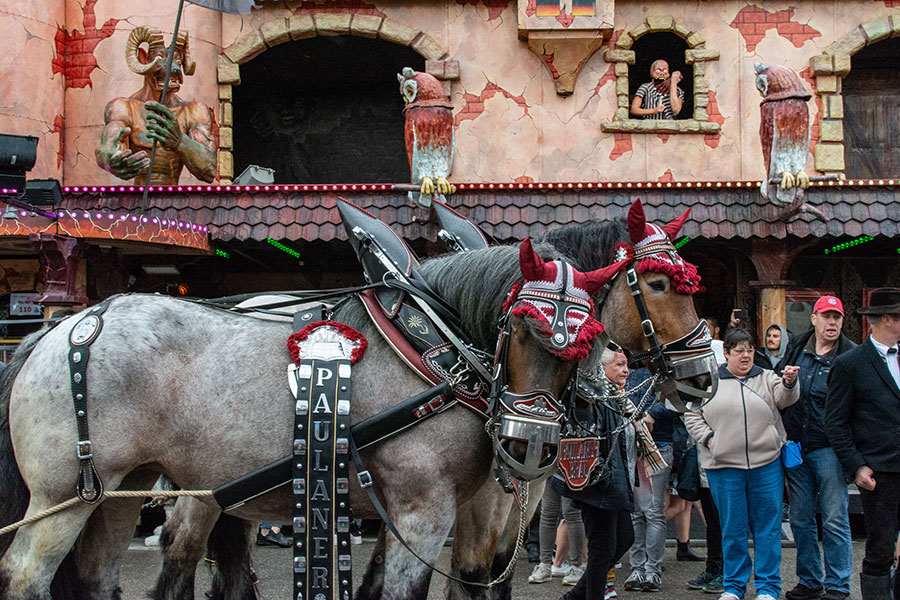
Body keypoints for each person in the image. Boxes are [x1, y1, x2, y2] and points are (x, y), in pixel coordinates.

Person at [685, 328, 799, 600]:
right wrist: (710, 440)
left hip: (767, 464)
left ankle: (768, 587)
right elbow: (691, 416)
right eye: (739, 351)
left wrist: (789, 383)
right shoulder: (709, 382)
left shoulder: (766, 376)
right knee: (732, 530)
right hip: (724, 466)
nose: (746, 355)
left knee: (767, 528)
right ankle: (734, 586)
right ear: (726, 353)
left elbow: (785, 400)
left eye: (749, 350)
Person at [775, 295, 855, 600]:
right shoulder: (796, 349)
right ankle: (809, 581)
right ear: (814, 319)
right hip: (796, 446)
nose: (832, 322)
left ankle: (837, 585)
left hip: (830, 449)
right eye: (826, 316)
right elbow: (780, 390)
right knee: (800, 518)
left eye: (837, 317)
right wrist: (786, 381)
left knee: (835, 517)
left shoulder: (849, 356)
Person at [825, 288, 900, 600]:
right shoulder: (850, 363)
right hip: (879, 472)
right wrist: (857, 465)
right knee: (881, 548)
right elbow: (835, 422)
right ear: (885, 320)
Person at [554, 348, 635, 600]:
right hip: (598, 484)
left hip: (615, 481)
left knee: (624, 539)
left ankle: (575, 596)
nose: (626, 370)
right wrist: (601, 476)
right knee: (603, 549)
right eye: (620, 365)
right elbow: (579, 442)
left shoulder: (614, 396)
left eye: (626, 365)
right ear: (603, 368)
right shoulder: (590, 396)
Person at [96, 26, 216, 185]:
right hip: (138, 201)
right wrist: (111, 161)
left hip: (173, 202)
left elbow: (209, 170)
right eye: (160, 58)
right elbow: (107, 149)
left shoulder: (193, 111)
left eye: (177, 60)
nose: (173, 68)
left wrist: (180, 142)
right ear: (144, 59)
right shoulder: (123, 108)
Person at [625, 367, 671, 592]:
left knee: (653, 511)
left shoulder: (661, 368)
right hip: (630, 445)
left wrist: (653, 413)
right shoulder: (626, 368)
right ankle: (637, 568)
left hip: (658, 444)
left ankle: (653, 569)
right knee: (635, 512)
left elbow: (675, 399)